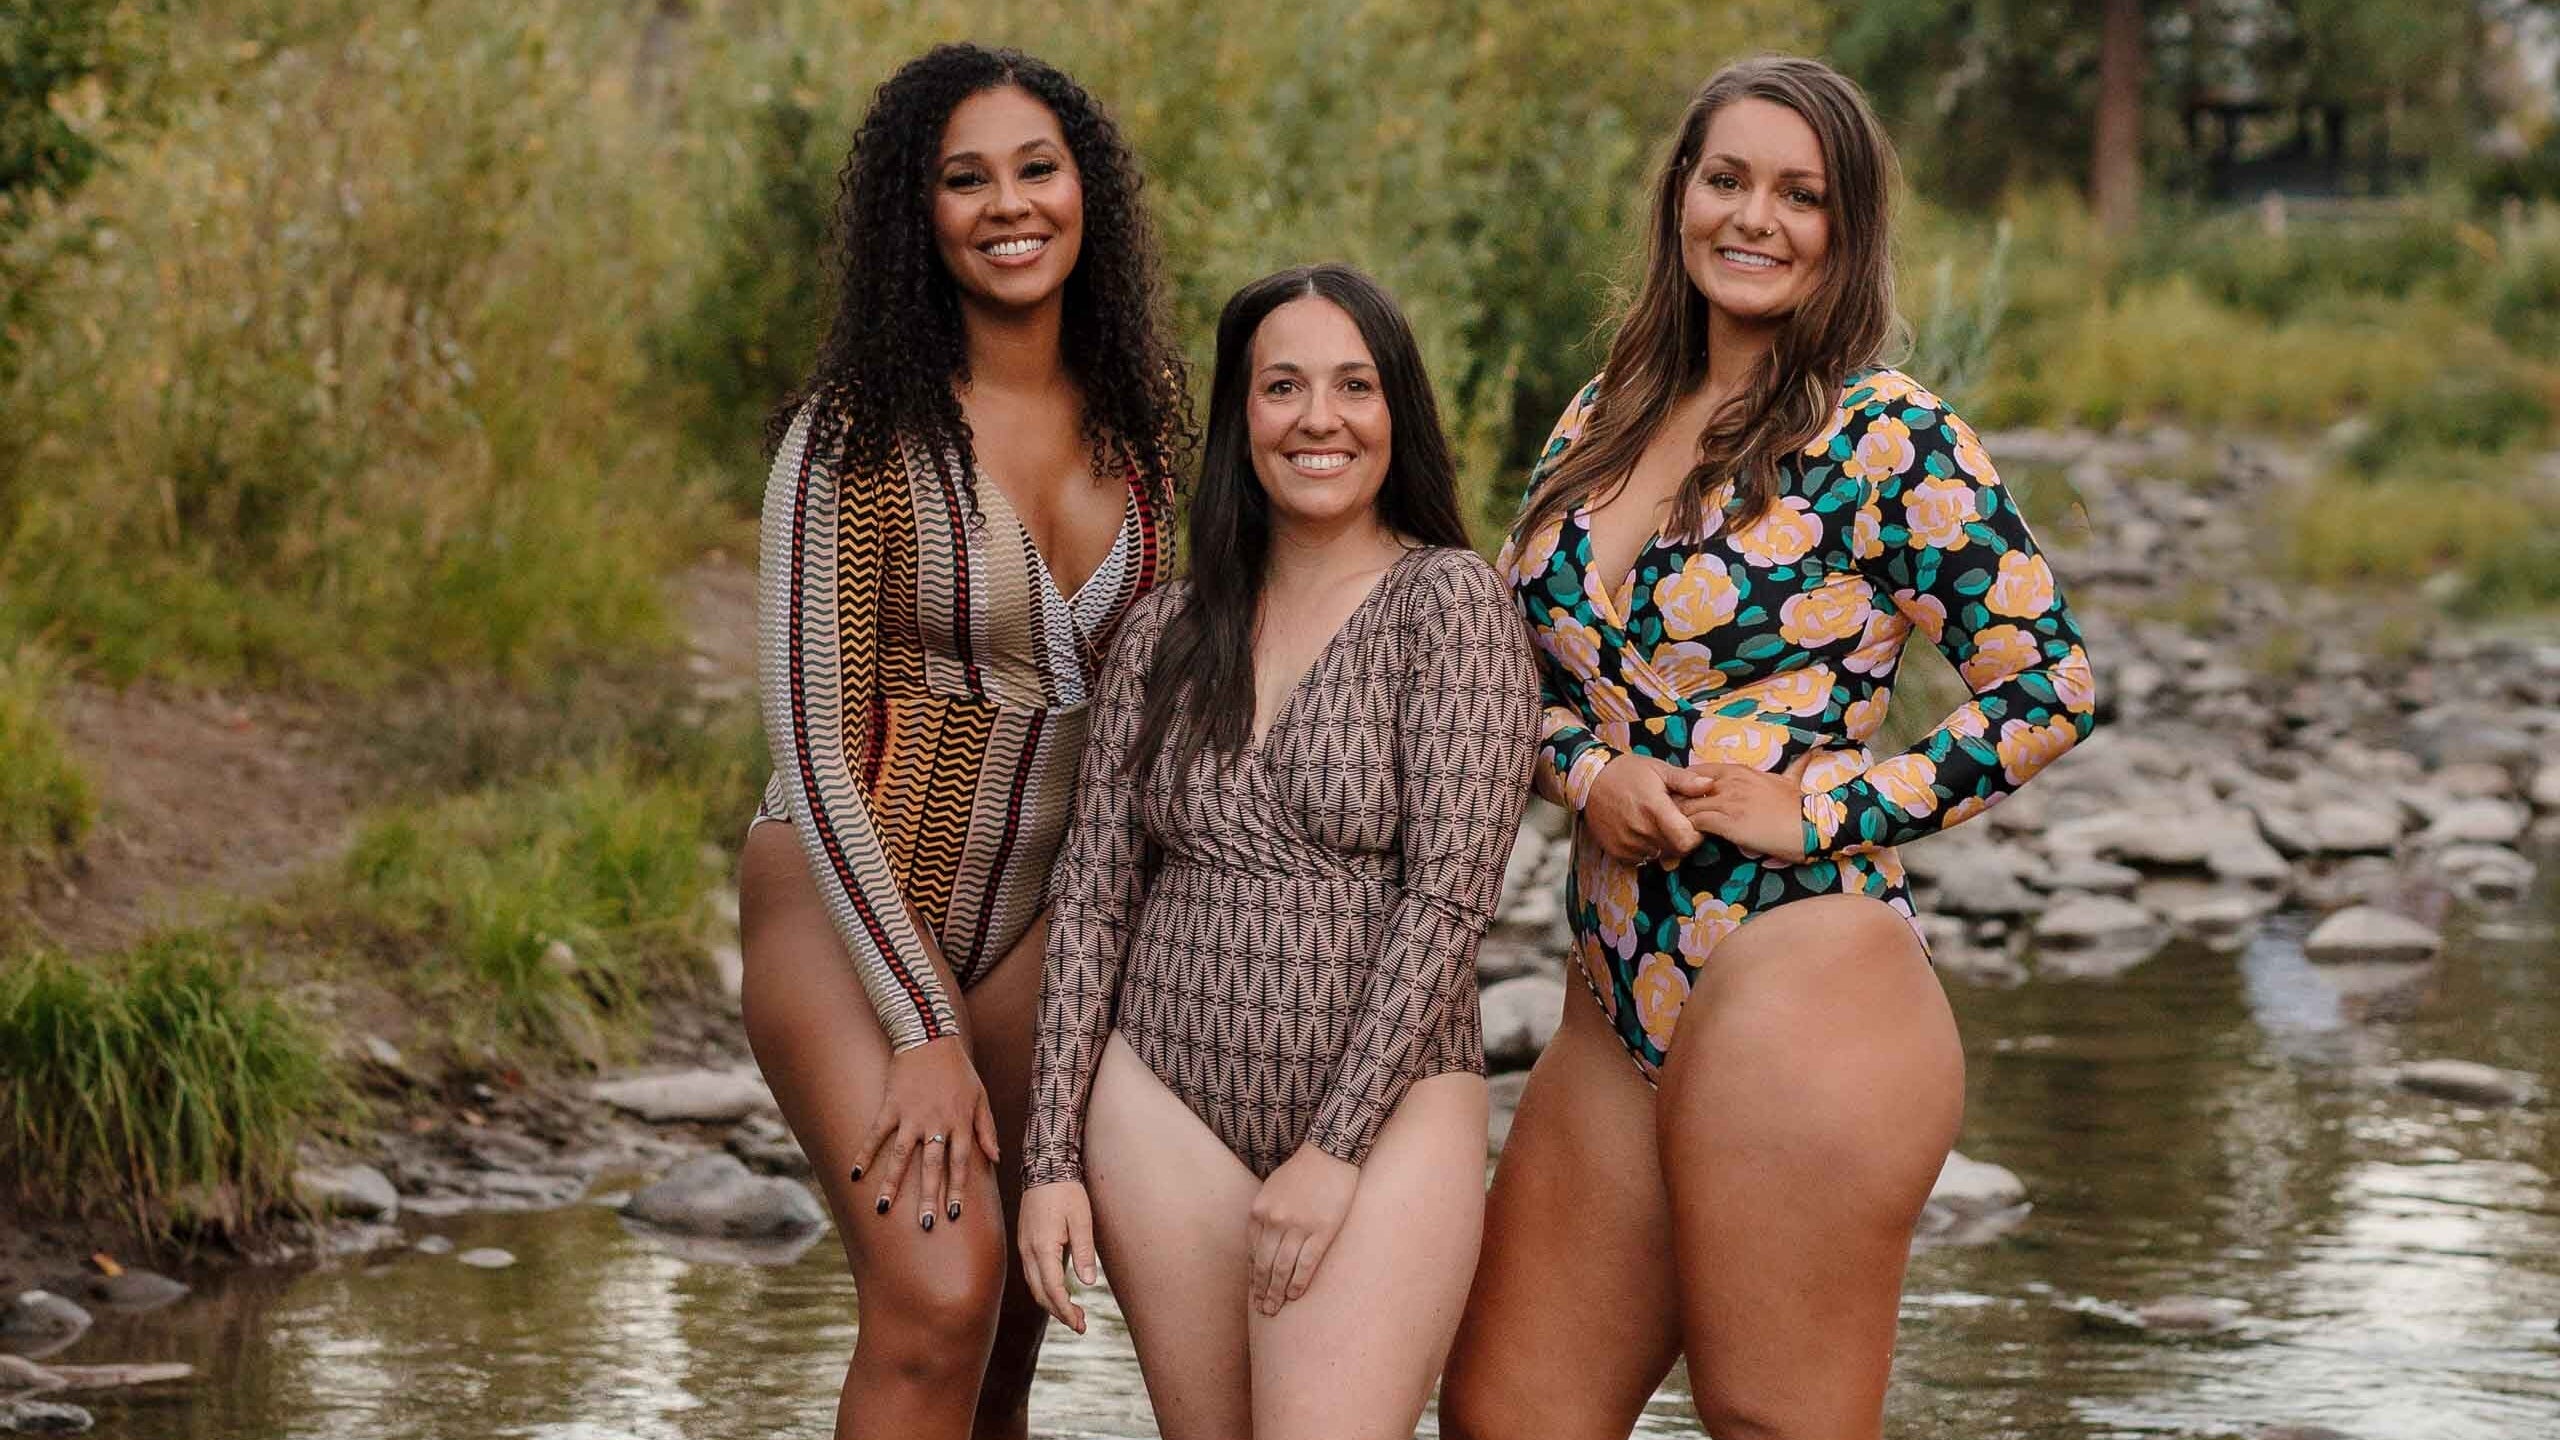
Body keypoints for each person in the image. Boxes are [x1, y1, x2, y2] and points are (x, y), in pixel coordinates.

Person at [1441, 56, 2100, 1440]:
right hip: (1616, 999)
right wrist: (1587, 775)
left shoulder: (1888, 437)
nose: (1756, 217)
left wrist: (1829, 808)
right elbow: (1511, 684)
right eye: (1728, 178)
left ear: (1846, 230)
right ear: (1682, 193)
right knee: (1505, 1420)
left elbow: (2048, 687)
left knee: (1772, 1423)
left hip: (1803, 978)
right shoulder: (1601, 412)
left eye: (1800, 195)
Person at [737, 43, 1190, 1440]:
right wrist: (922, 1024)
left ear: (1086, 192)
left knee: (1005, 1345)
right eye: (965, 177)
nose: (1010, 204)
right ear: (916, 215)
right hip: (847, 900)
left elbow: (1155, 729)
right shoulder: (851, 441)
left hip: (1039, 930)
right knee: (941, 1291)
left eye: (1037, 168)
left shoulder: (1144, 443)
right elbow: (813, 751)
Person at [1013, 263, 1538, 1440]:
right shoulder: (1161, 629)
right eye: (1282, 385)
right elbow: (1094, 899)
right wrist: (1050, 1158)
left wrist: (1333, 1149)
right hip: (1161, 1107)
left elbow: (1449, 900)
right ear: (1241, 415)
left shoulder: (1449, 605)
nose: (1318, 419)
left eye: (1353, 386)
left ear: (1395, 411)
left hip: (1388, 1111)